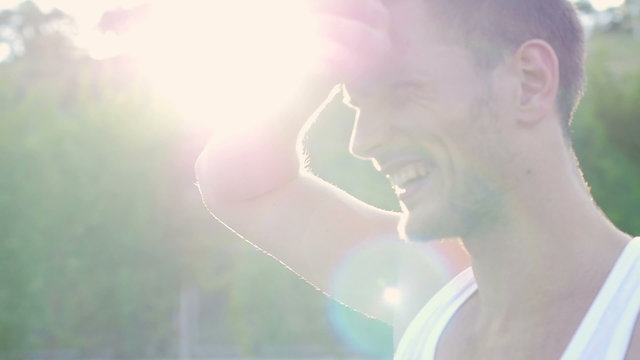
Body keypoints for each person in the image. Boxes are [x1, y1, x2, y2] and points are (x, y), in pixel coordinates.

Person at [195, 0, 640, 358]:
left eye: (402, 90)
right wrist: (309, 72)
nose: (363, 141)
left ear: (530, 81)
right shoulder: (429, 296)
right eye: (356, 103)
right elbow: (235, 184)